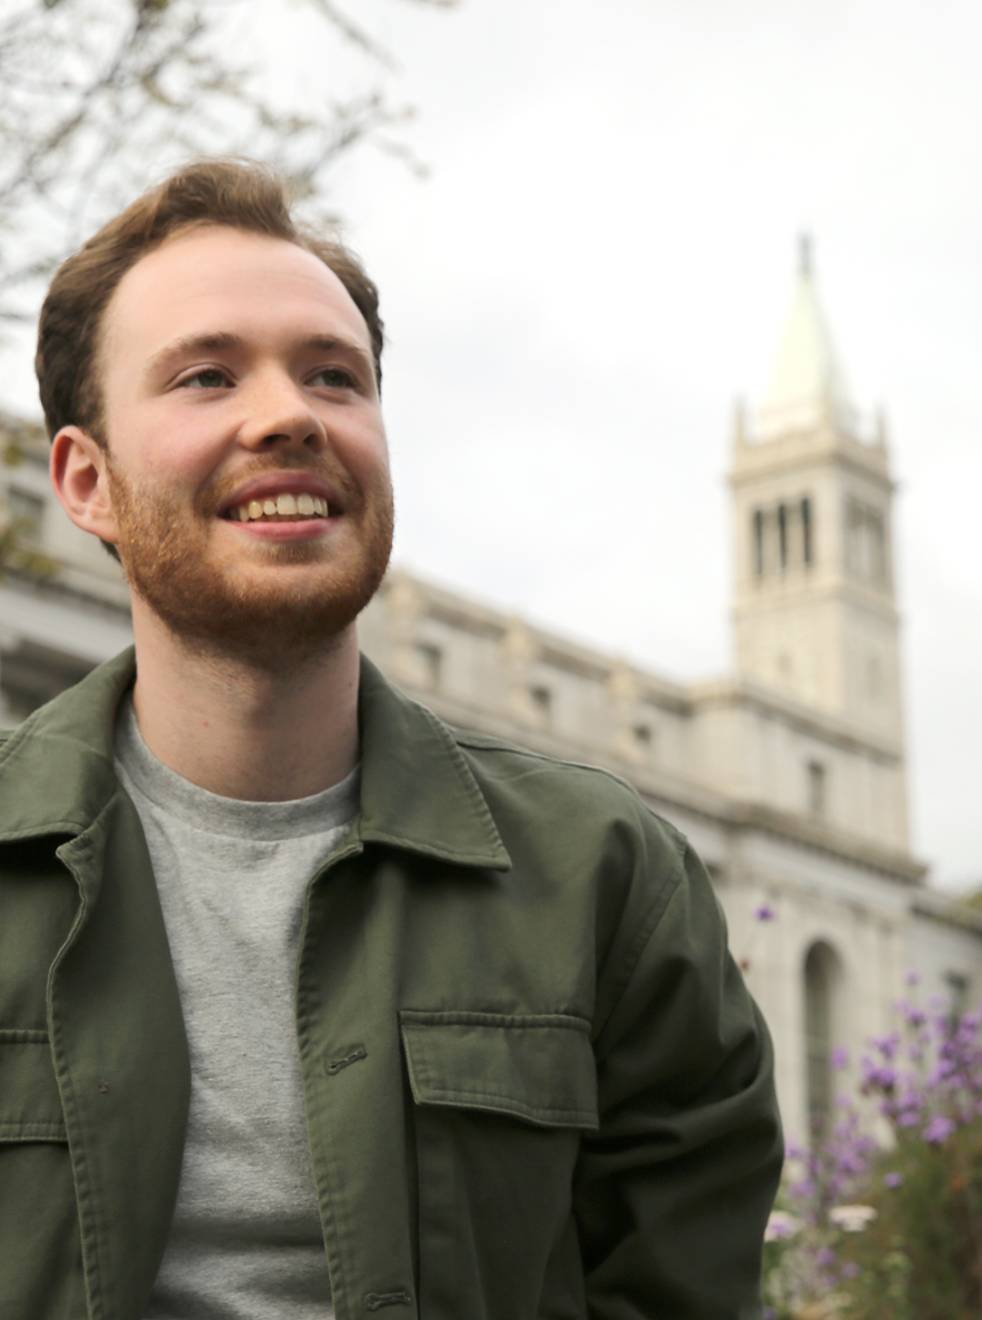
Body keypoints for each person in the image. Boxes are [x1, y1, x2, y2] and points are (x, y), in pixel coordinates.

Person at [0, 158, 782, 1319]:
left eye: (335, 378)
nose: (291, 415)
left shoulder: (606, 879)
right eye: (208, 376)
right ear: (86, 480)